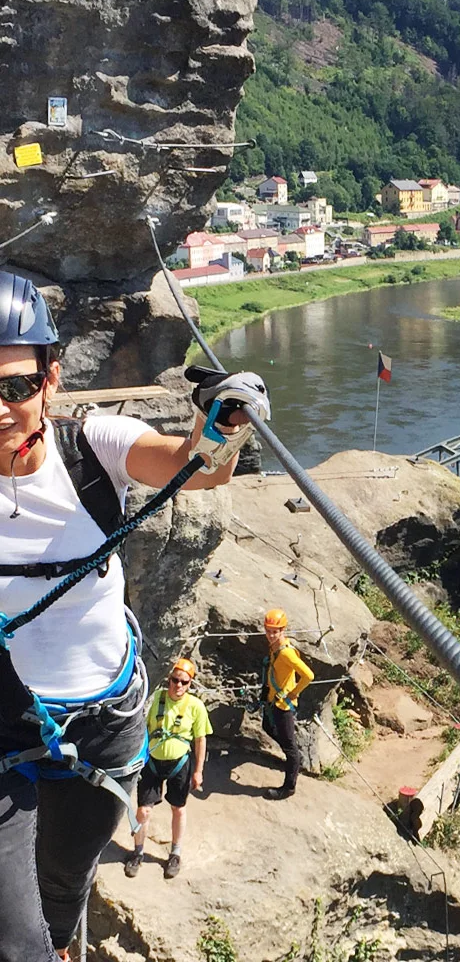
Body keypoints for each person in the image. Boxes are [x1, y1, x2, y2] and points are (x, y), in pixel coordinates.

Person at [0, 271, 269, 962]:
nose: (0, 409)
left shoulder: (92, 447)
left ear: (51, 380)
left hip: (104, 723)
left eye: (14, 388)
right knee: (13, 938)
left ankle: (63, 940)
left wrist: (227, 420)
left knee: (63, 883)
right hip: (5, 721)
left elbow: (196, 468)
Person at [124, 658, 211, 880]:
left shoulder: (196, 707)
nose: (179, 686)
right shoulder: (158, 699)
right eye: (175, 680)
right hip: (153, 760)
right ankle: (138, 852)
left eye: (184, 682)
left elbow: (200, 740)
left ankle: (175, 853)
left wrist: (198, 771)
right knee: (143, 809)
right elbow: (145, 728)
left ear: (190, 684)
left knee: (178, 808)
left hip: (179, 763)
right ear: (169, 679)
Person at [260, 608, 314, 800]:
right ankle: (291, 756)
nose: (271, 635)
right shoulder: (275, 647)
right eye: (268, 630)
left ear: (283, 630)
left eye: (275, 631)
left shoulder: (286, 653)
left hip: (283, 705)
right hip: (273, 699)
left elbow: (308, 675)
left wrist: (293, 693)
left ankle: (288, 787)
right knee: (266, 725)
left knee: (291, 748)